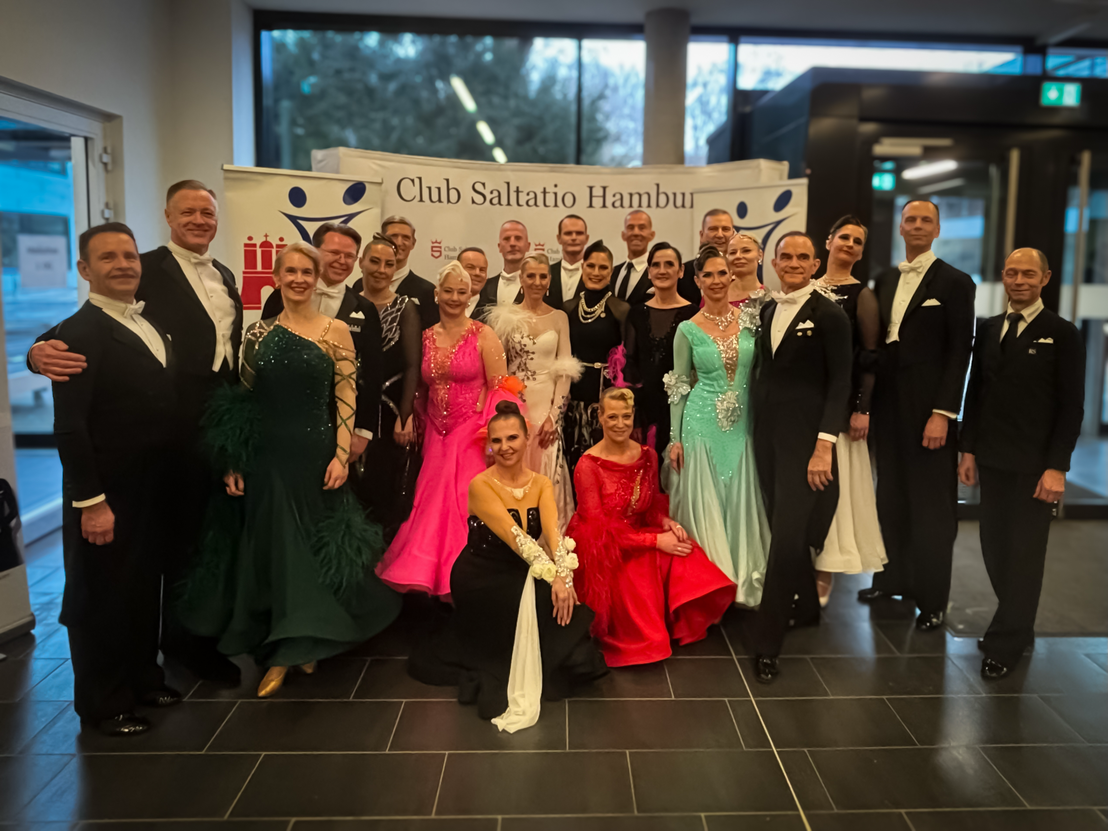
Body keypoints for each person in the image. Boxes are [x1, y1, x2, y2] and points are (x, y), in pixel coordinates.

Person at [29, 179, 244, 686]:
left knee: (195, 542)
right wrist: (36, 353)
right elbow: (85, 326)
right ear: (168, 216)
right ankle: (139, 665)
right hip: (159, 434)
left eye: (207, 212)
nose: (198, 220)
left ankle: (188, 643)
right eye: (187, 211)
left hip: (210, 431)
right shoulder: (141, 267)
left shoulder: (226, 274)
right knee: (139, 555)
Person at [177, 241, 401, 697]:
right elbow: (243, 400)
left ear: (317, 279)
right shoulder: (257, 334)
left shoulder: (337, 330)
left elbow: (346, 395)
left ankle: (305, 642)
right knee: (277, 549)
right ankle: (287, 648)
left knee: (312, 547)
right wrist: (235, 458)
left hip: (316, 454)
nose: (299, 279)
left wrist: (341, 455)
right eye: (291, 272)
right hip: (267, 456)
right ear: (276, 278)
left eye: (307, 272)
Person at [408, 402, 607, 730]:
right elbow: (518, 540)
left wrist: (564, 577)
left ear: (527, 438)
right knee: (534, 636)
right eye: (497, 440)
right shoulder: (481, 485)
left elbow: (552, 534)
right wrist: (554, 577)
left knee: (574, 648)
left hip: (523, 570)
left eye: (512, 438)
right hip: (482, 578)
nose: (504, 447)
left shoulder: (541, 483)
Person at [53, 223, 180, 736]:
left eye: (129, 255)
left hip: (150, 486)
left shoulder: (149, 323)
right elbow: (70, 426)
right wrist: (91, 501)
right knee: (101, 596)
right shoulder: (78, 332)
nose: (123, 264)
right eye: (108, 257)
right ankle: (104, 703)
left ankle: (144, 678)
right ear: (85, 269)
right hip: (107, 491)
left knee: (142, 586)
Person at [959, 249, 1084, 680]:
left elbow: (1071, 406)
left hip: (1036, 466)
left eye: (1029, 273)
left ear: (1045, 278)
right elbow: (976, 392)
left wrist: (1057, 467)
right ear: (1003, 276)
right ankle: (1019, 622)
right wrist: (968, 449)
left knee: (1025, 554)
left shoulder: (1062, 333)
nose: (1019, 280)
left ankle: (1006, 642)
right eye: (1012, 273)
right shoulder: (989, 328)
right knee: (994, 548)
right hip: (992, 459)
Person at [860, 200, 976, 632]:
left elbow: (959, 350)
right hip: (888, 405)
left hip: (929, 409)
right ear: (901, 227)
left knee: (932, 508)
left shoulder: (956, 282)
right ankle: (891, 580)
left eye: (927, 220)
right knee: (890, 496)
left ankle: (931, 600)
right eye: (911, 219)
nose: (918, 225)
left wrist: (943, 412)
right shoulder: (886, 278)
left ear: (938, 229)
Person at [376, 261, 520, 598]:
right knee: (428, 506)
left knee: (464, 504)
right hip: (434, 433)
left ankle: (465, 580)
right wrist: (410, 417)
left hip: (473, 433)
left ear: (470, 296)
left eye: (461, 292)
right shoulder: (425, 337)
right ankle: (430, 578)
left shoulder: (484, 335)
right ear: (436, 294)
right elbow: (418, 387)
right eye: (448, 291)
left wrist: (493, 437)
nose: (455, 298)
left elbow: (501, 388)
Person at [748, 232, 852, 684]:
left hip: (808, 445)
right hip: (767, 439)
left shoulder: (830, 314)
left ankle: (767, 642)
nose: (793, 263)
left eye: (802, 257)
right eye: (786, 256)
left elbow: (841, 384)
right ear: (774, 262)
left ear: (815, 265)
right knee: (781, 527)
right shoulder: (767, 310)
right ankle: (806, 607)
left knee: (787, 538)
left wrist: (824, 446)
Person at [567, 388, 735, 666]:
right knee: (643, 594)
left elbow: (652, 503)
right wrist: (656, 541)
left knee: (686, 552)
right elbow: (598, 534)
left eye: (626, 416)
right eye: (612, 417)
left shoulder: (647, 455)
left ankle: (681, 621)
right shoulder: (588, 465)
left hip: (639, 532)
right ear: (600, 417)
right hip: (608, 551)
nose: (620, 424)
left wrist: (667, 523)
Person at [666, 246, 770, 606]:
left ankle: (741, 580)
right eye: (707, 274)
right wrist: (674, 439)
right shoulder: (687, 329)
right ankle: (709, 587)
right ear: (696, 280)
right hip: (700, 424)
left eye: (721, 273)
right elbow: (679, 385)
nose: (715, 280)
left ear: (732, 276)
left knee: (741, 493)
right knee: (706, 500)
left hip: (744, 423)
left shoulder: (752, 321)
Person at [261, 222, 383, 475]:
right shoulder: (277, 299)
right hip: (283, 423)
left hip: (341, 427)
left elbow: (372, 374)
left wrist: (362, 431)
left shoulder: (366, 309)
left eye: (349, 256)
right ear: (315, 252)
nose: (342, 261)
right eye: (334, 253)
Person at [811, 217, 887, 605]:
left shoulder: (864, 296)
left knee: (833, 488)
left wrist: (862, 409)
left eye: (857, 241)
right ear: (828, 241)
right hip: (804, 402)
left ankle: (826, 566)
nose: (850, 244)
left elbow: (870, 357)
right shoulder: (805, 287)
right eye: (844, 237)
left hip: (842, 409)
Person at [487, 252, 580, 531]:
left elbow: (565, 370)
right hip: (515, 405)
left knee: (548, 468)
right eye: (531, 276)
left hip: (547, 407)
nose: (537, 282)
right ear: (521, 278)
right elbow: (498, 370)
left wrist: (555, 416)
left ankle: (550, 538)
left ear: (549, 280)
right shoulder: (506, 317)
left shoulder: (560, 317)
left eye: (542, 276)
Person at [358, 234, 423, 541]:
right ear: (361, 262)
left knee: (383, 484)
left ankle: (381, 555)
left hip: (390, 410)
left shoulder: (404, 307)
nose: (381, 270)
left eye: (389, 264)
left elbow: (412, 365)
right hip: (350, 405)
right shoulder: (348, 303)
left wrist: (405, 415)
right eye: (375, 262)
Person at [623, 242, 696, 458]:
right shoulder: (636, 313)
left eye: (669, 264)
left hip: (681, 411)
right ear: (649, 271)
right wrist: (634, 416)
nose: (662, 270)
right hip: (642, 414)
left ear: (681, 271)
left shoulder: (693, 314)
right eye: (656, 265)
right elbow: (630, 365)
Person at [563, 240, 630, 473]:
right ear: (582, 268)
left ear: (611, 272)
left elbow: (628, 359)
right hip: (572, 401)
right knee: (574, 464)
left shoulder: (621, 310)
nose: (596, 272)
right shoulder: (568, 308)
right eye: (591, 266)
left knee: (605, 466)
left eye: (603, 268)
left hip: (606, 402)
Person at [383, 215, 438, 330]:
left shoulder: (427, 291)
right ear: (381, 240)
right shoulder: (361, 286)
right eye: (393, 236)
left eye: (406, 238)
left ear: (413, 243)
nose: (399, 243)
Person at [680, 209, 735, 304]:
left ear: (733, 234)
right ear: (701, 235)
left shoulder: (745, 272)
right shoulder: (684, 274)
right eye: (713, 229)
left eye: (725, 229)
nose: (720, 235)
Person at [476, 220, 531, 311]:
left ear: (527, 246)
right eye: (507, 239)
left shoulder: (537, 286)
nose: (512, 243)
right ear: (499, 247)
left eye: (518, 238)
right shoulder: (485, 287)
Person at [612, 210, 657, 305]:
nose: (636, 233)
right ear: (623, 235)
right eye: (630, 228)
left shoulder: (657, 272)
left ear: (652, 235)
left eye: (642, 228)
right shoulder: (612, 272)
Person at [546, 214, 589, 308]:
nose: (573, 237)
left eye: (579, 233)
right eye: (568, 233)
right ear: (559, 238)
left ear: (587, 238)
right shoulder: (545, 272)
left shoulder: (596, 275)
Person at [717, 233, 765, 307]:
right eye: (733, 252)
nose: (738, 256)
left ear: (760, 255)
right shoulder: (714, 292)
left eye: (746, 251)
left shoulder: (767, 299)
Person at [459, 246, 490, 318]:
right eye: (470, 267)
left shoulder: (491, 310)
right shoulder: (442, 305)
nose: (477, 273)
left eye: (482, 270)